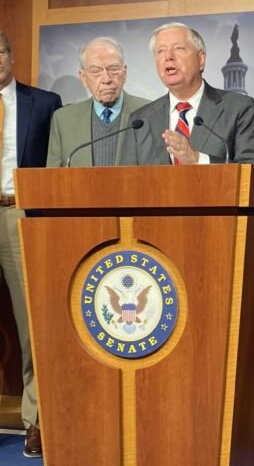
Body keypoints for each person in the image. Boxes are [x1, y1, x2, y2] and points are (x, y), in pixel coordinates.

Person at [0, 29, 61, 457]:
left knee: (31, 325)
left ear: (11, 55)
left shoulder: (44, 103)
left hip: (18, 212)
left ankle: (35, 420)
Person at [119, 22, 254, 166]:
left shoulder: (238, 109)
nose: (168, 56)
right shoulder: (139, 122)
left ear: (201, 59)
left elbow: (253, 169)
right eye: (160, 51)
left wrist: (197, 159)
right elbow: (125, 182)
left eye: (178, 48)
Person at [47, 37, 148, 167]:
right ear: (83, 78)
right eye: (96, 71)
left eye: (113, 69)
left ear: (124, 73)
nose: (106, 79)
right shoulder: (63, 120)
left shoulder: (148, 113)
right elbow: (53, 180)